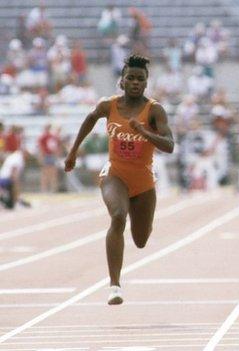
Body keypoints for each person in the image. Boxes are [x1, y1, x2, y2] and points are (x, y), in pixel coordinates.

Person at [64, 55, 174, 305]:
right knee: (117, 216)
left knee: (141, 239)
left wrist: (144, 131)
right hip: (115, 173)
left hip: (144, 179)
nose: (135, 82)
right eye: (131, 78)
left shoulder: (154, 110)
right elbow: (90, 119)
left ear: (146, 83)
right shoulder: (108, 105)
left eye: (140, 79)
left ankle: (139, 215)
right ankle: (114, 285)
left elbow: (169, 145)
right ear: (122, 82)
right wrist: (73, 152)